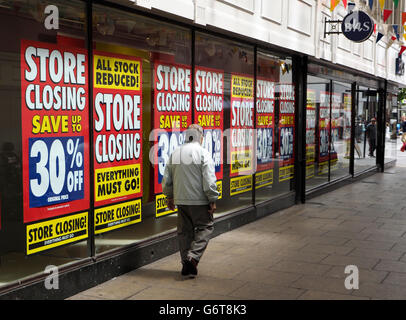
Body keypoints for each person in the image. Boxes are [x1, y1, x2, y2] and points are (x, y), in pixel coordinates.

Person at [162, 124, 219, 279]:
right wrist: (212, 198)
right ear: (200, 137)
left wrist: (169, 196)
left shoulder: (176, 153)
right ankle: (192, 258)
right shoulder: (203, 153)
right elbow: (209, 180)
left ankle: (186, 265)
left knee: (184, 232)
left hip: (181, 200)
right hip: (199, 201)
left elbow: (167, 178)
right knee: (206, 227)